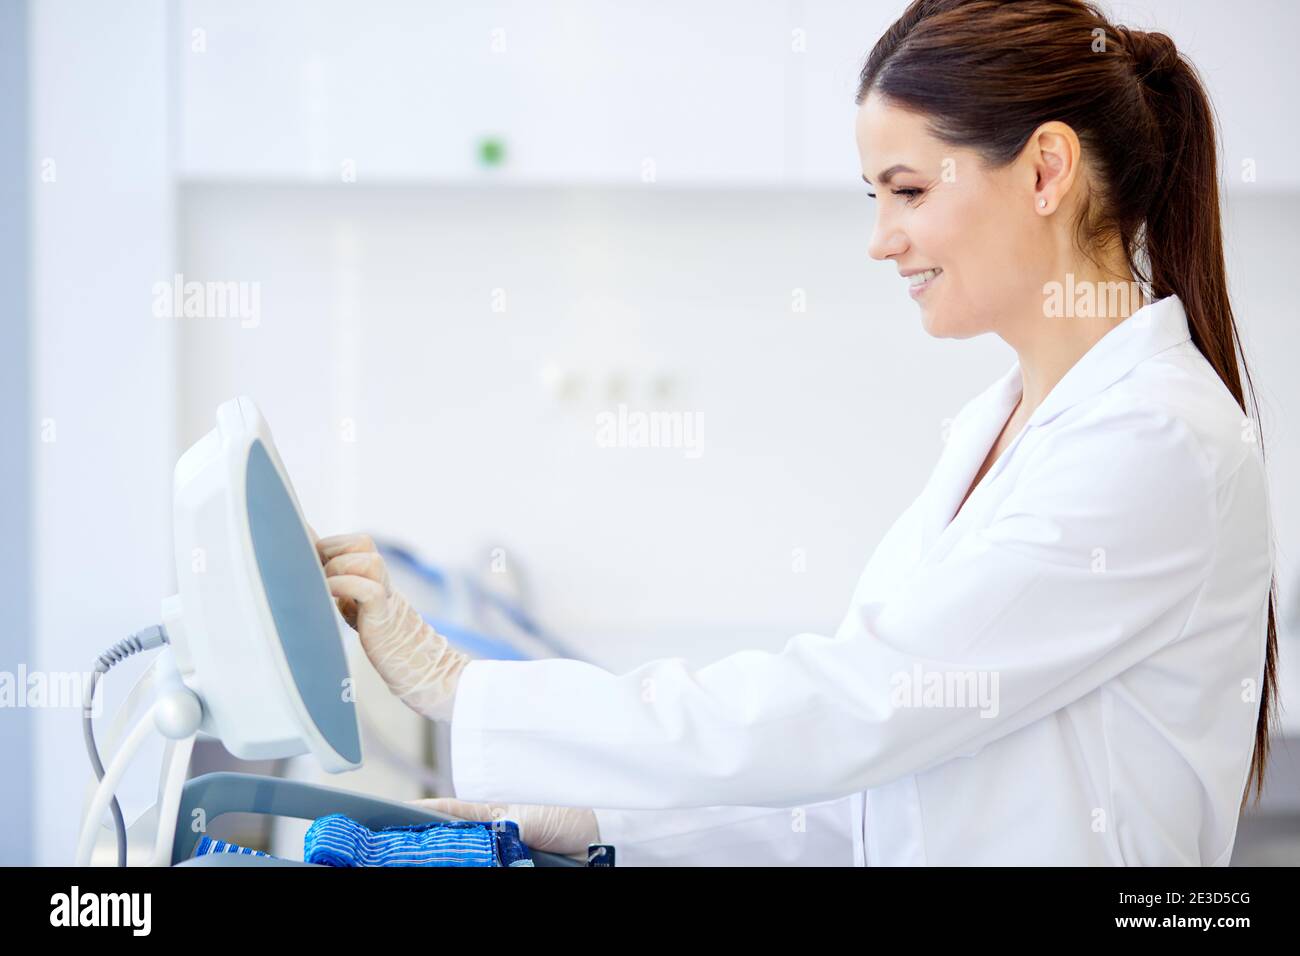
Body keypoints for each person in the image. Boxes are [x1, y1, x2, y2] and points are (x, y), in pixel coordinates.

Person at [317, 0, 1278, 865]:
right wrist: (604, 822)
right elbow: (875, 789)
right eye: (877, 198)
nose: (882, 238)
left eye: (908, 190)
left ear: (1045, 170)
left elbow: (858, 705)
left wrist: (463, 687)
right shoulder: (1003, 429)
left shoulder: (1153, 442)